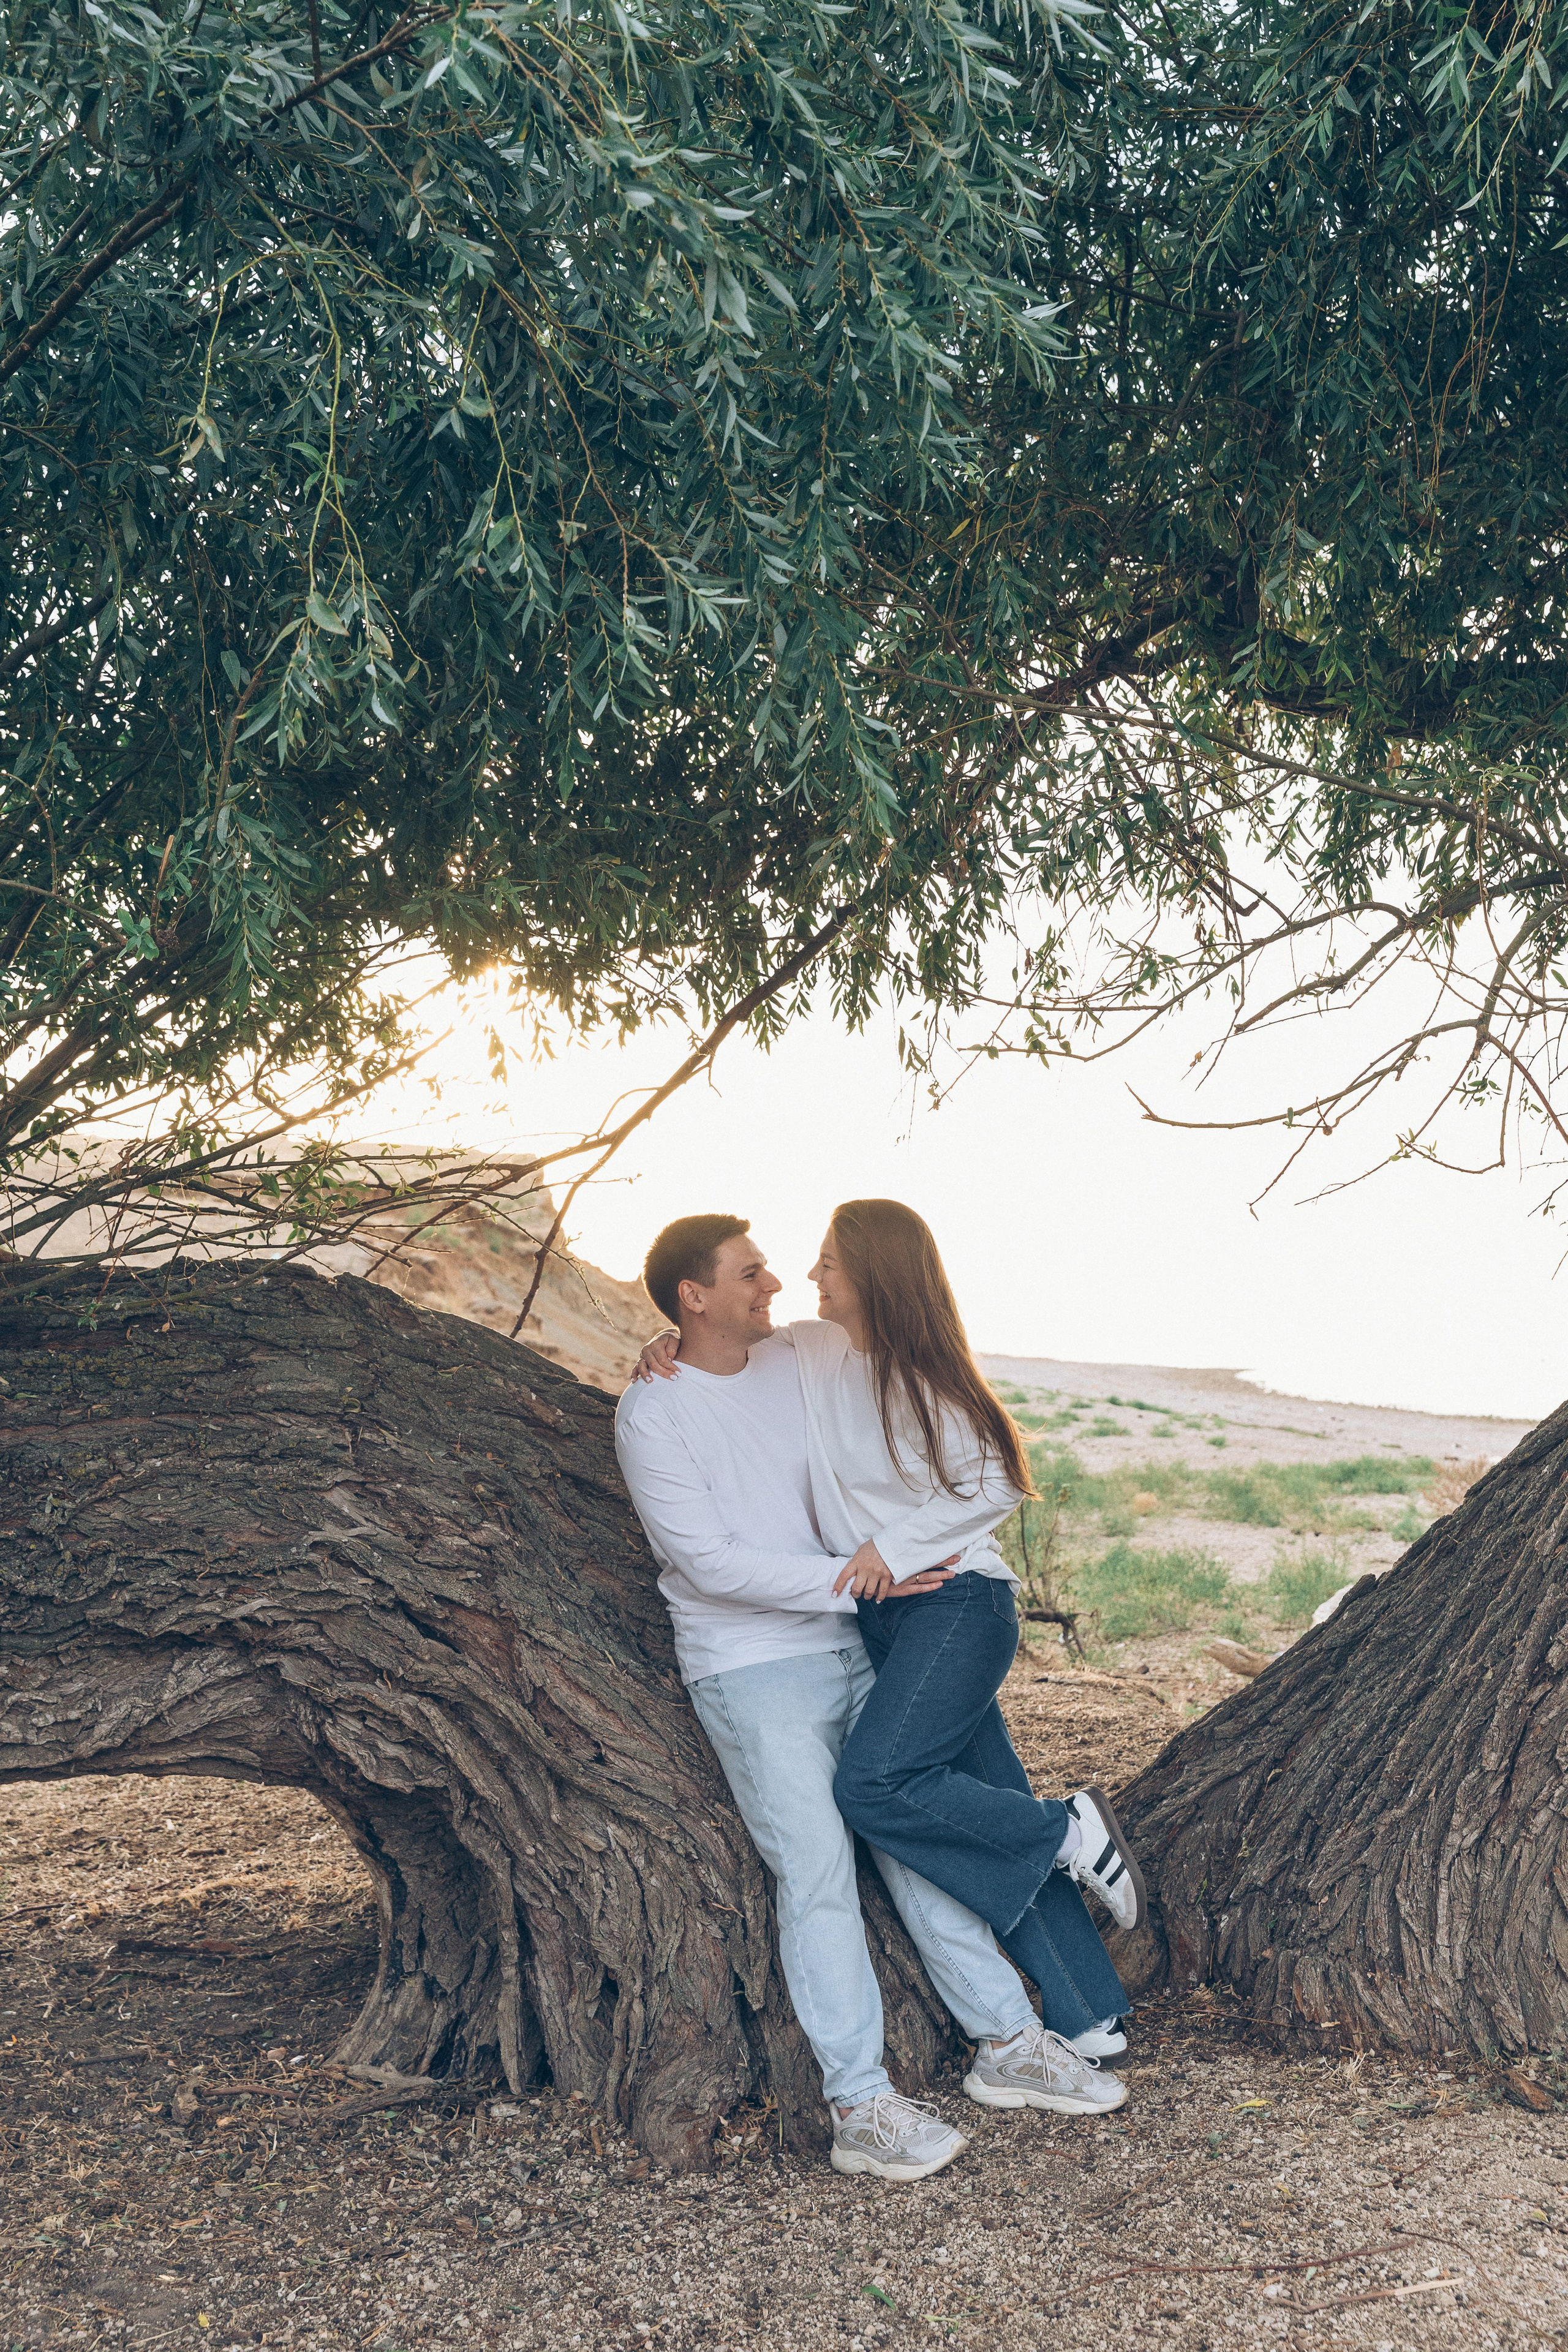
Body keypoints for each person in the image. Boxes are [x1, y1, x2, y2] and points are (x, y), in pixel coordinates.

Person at [614, 1213, 1125, 2185]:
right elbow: (706, 1563)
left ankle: (1008, 2039)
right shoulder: (653, 1411)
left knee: (905, 1829)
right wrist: (857, 1576)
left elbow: (905, 1380)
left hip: (854, 1635)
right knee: (815, 1874)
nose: (778, 1283)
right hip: (751, 1665)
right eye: (752, 1273)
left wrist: (875, 1574)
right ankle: (859, 2102)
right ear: (694, 1296)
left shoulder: (793, 1355)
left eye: (783, 1269)